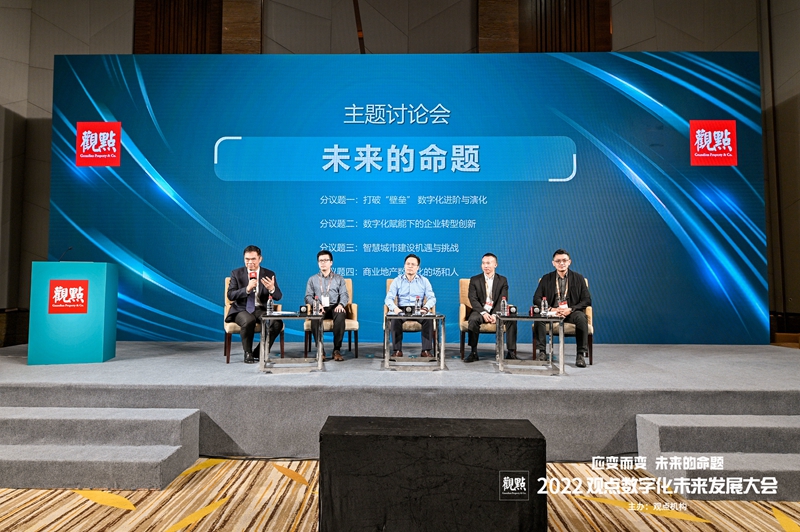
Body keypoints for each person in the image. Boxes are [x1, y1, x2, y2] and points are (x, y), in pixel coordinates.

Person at [533, 249, 591, 368]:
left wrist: (571, 309)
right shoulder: (546, 278)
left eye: (564, 260)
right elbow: (536, 298)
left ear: (569, 262)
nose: (561, 263)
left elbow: (587, 300)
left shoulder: (578, 278)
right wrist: (551, 309)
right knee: (539, 317)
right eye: (558, 261)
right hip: (553, 312)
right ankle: (542, 352)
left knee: (581, 318)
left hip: (571, 312)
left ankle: (580, 354)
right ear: (553, 263)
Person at [225, 245, 283, 364]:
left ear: (260, 259)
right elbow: (230, 295)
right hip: (241, 309)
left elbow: (278, 296)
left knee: (277, 322)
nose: (250, 262)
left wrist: (272, 289)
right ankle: (248, 353)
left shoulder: (268, 274)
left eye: (253, 259)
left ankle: (259, 351)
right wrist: (247, 289)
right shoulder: (236, 273)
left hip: (260, 309)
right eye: (247, 259)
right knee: (249, 320)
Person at [464, 253, 518, 362]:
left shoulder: (502, 280)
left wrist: (494, 314)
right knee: (473, 319)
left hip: (497, 311)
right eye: (483, 263)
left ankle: (511, 352)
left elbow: (503, 298)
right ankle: (473, 352)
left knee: (512, 318)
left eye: (488, 263)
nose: (485, 266)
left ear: (495, 265)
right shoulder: (474, 280)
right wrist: (483, 313)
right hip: (480, 311)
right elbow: (472, 299)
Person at [384, 254, 437, 358]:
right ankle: (397, 351)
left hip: (418, 309)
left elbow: (432, 298)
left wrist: (425, 308)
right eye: (408, 264)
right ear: (404, 266)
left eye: (413, 264)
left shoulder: (424, 281)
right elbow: (388, 298)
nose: (410, 266)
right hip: (401, 310)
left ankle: (426, 351)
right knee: (395, 319)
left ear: (418, 267)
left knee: (428, 319)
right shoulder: (397, 280)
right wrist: (395, 308)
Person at [305, 250, 350, 361]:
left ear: (331, 262)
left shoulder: (339, 278)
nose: (323, 263)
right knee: (315, 317)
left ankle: (336, 350)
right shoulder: (312, 279)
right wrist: (316, 305)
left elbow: (344, 294)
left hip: (335, 306)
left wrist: (341, 305)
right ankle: (321, 350)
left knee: (340, 315)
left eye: (326, 260)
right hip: (320, 306)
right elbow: (308, 296)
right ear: (318, 263)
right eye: (321, 261)